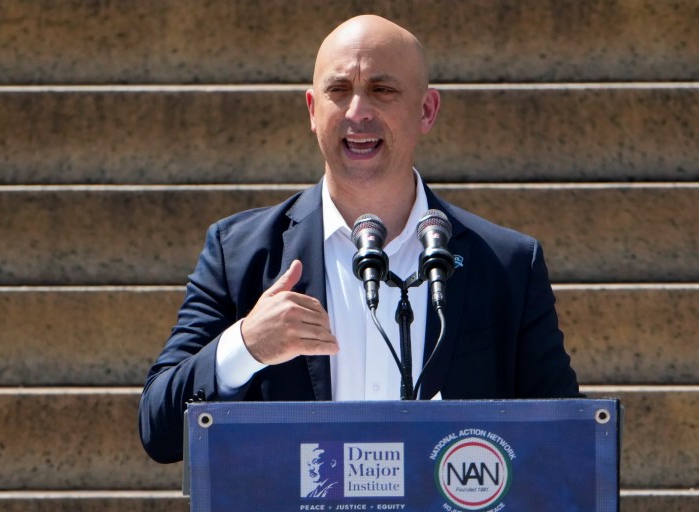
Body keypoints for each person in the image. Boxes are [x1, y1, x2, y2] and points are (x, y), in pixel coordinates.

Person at [139, 14, 581, 464]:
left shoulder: (506, 264)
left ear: (427, 111)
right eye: (338, 91)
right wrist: (246, 346)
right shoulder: (239, 253)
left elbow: (569, 443)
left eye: (382, 90)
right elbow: (159, 429)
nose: (357, 112)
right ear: (313, 111)